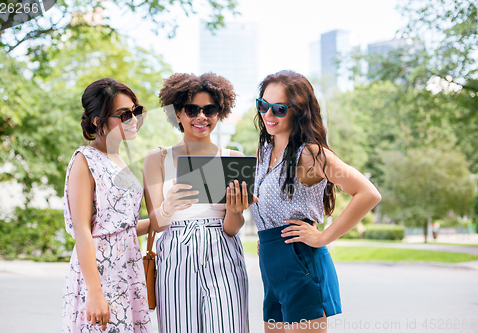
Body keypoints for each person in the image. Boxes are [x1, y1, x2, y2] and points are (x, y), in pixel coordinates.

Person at [251, 70, 382, 332]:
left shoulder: (311, 154)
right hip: (271, 263)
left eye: (278, 109)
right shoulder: (265, 151)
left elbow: (368, 193)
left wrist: (323, 237)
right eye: (263, 106)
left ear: (298, 111)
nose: (268, 115)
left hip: (300, 262)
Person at [143, 73, 255, 333]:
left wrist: (236, 211)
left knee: (230, 327)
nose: (201, 116)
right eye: (191, 109)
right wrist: (167, 206)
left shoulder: (233, 158)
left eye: (210, 109)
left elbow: (232, 228)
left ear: (220, 113)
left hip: (223, 252)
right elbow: (157, 224)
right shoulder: (157, 159)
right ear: (177, 114)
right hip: (176, 253)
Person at [62, 78, 153, 332]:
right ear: (97, 120)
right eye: (124, 115)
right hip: (99, 275)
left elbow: (117, 228)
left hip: (127, 271)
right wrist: (94, 293)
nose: (133, 120)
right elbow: (83, 230)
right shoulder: (85, 160)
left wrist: (160, 220)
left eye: (136, 111)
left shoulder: (117, 157)